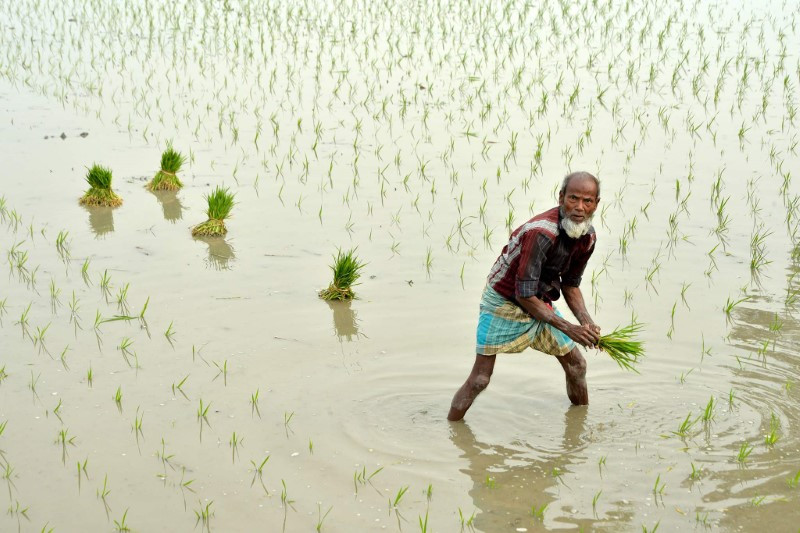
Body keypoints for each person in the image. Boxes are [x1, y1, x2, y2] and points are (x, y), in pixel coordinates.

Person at [447, 171, 602, 421]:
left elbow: (571, 285)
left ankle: (580, 429)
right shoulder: (542, 232)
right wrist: (570, 328)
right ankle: (453, 431)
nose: (580, 208)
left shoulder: (588, 237)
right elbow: (523, 294)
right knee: (480, 379)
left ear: (596, 204)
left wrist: (586, 322)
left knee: (577, 366)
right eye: (573, 198)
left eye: (588, 201)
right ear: (561, 197)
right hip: (505, 300)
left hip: (539, 301)